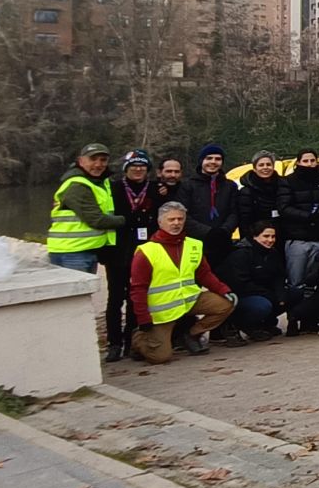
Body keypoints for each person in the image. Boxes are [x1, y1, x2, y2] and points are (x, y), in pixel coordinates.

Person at [128, 200, 237, 362]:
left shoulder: (194, 245)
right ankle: (139, 340)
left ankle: (191, 335)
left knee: (226, 304)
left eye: (180, 219)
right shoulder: (147, 252)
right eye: (171, 220)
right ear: (160, 222)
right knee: (160, 357)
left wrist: (224, 290)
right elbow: (138, 289)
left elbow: (204, 274)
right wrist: (143, 319)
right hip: (163, 311)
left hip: (189, 299)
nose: (176, 223)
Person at [104, 151, 160, 365]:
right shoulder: (113, 188)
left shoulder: (155, 189)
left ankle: (132, 342)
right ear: (126, 168)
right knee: (115, 298)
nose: (138, 170)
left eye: (142, 166)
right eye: (133, 166)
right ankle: (114, 343)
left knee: (137, 297)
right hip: (117, 251)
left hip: (145, 252)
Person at [47, 142, 123, 276]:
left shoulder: (100, 182)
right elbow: (96, 220)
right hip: (71, 252)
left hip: (86, 250)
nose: (98, 164)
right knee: (74, 295)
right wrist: (128, 220)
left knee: (84, 294)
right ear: (81, 161)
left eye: (103, 160)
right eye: (93, 159)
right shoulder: (77, 185)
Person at [280, 149, 319, 294]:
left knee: (317, 277)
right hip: (297, 238)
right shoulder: (288, 181)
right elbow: (284, 207)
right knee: (296, 281)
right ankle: (294, 313)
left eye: (312, 161)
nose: (309, 164)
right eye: (305, 161)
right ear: (298, 162)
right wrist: (306, 216)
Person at [223, 220, 287, 341]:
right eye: (266, 236)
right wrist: (269, 294)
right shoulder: (241, 253)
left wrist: (281, 295)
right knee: (263, 306)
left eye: (273, 236)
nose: (270, 240)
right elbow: (241, 283)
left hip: (265, 292)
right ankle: (243, 325)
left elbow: (279, 276)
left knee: (294, 294)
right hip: (244, 296)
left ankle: (266, 324)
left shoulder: (273, 252)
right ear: (255, 236)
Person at [178, 144, 239, 267]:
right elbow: (183, 214)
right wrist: (207, 232)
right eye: (209, 158)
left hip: (223, 240)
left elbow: (235, 212)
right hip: (196, 242)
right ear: (202, 161)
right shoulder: (188, 185)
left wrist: (225, 230)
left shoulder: (230, 186)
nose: (213, 162)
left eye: (217, 159)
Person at [234, 151, 285, 242]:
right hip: (255, 238)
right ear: (254, 168)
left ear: (273, 167)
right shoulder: (246, 191)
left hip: (280, 237)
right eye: (261, 165)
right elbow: (244, 221)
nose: (265, 167)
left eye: (268, 164)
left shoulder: (283, 187)